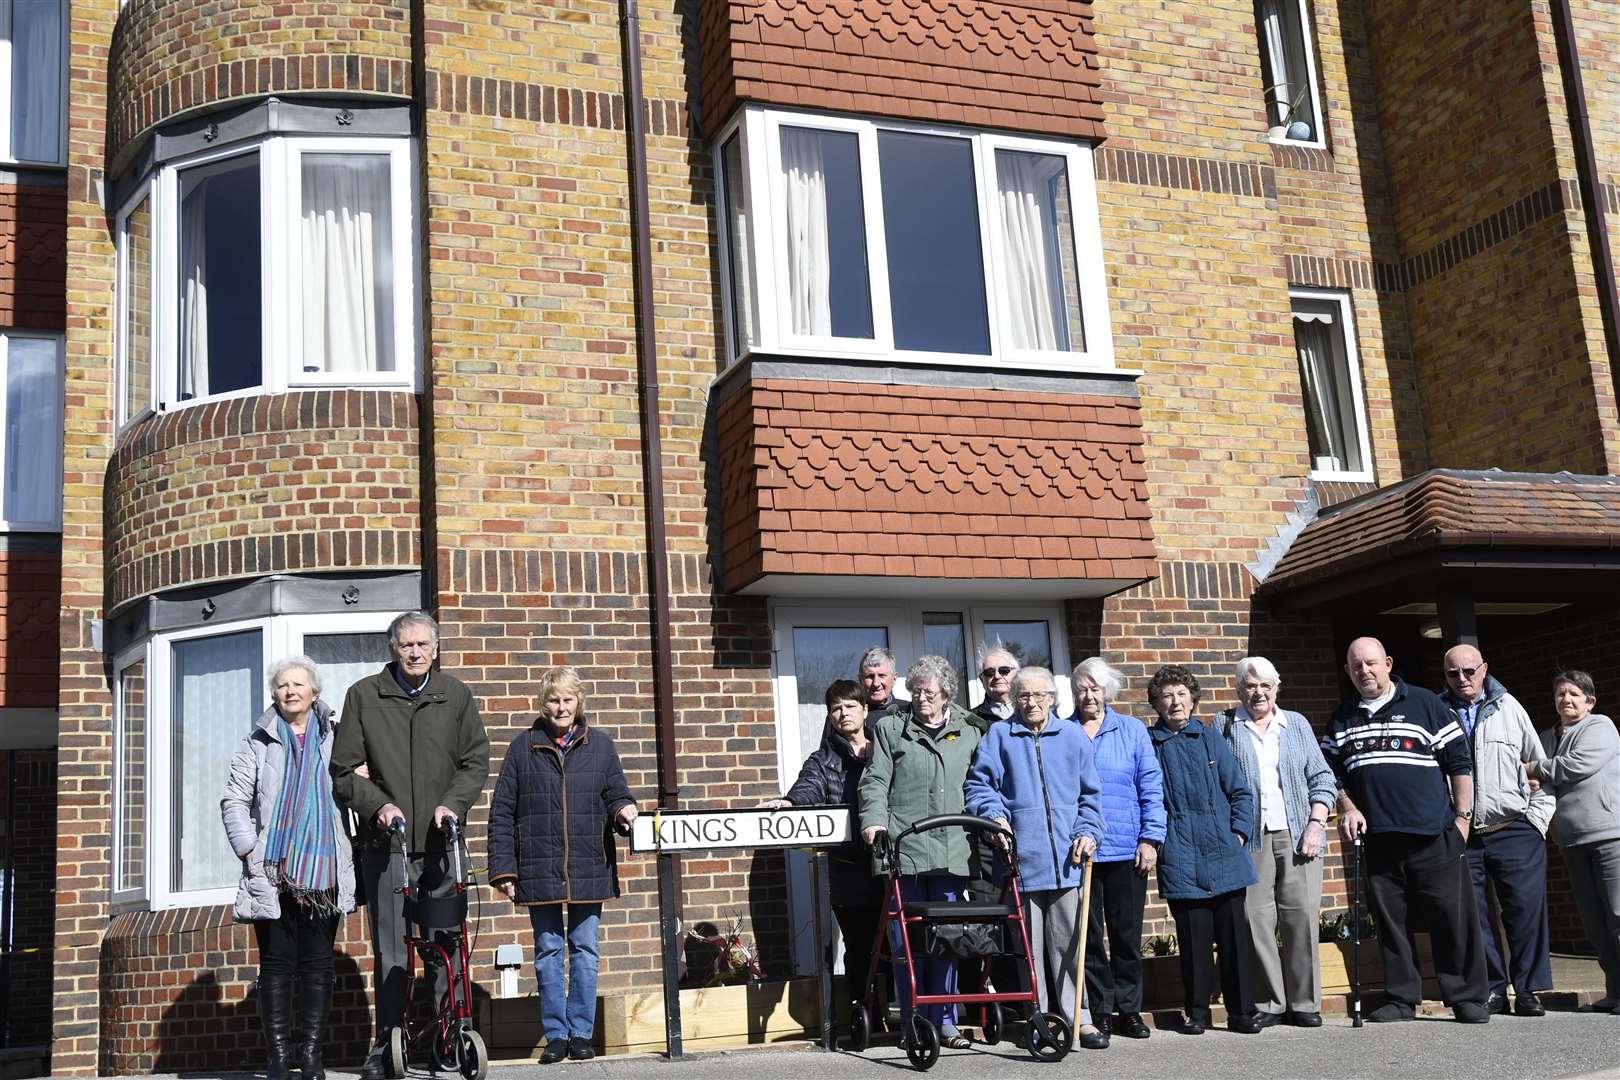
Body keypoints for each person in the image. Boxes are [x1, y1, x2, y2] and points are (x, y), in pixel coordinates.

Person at [331, 611, 492, 1079]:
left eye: (423, 644)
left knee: (446, 945)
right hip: (389, 847)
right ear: (392, 649)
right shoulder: (364, 696)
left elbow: (475, 762)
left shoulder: (456, 695)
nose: (415, 652)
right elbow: (343, 772)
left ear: (436, 649)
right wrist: (378, 805)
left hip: (441, 846)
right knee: (392, 950)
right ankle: (389, 1044)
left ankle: (447, 1040)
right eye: (406, 645)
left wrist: (452, 805)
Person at [1323, 637, 1490, 1024]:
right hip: (1379, 839)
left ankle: (1466, 996)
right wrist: (1347, 806)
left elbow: (1459, 762)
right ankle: (1401, 998)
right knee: (1391, 924)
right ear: (1348, 672)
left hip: (1434, 834)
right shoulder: (1341, 718)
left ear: (1388, 662)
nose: (1365, 671)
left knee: (1453, 918)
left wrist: (1463, 820)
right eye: (1356, 666)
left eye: (1371, 663)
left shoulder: (1425, 705)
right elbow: (1328, 773)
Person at [488, 667, 638, 1063]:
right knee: (548, 950)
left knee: (585, 949)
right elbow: (501, 812)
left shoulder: (601, 746)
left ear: (579, 702)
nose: (561, 707)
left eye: (568, 699)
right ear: (543, 703)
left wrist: (625, 810)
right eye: (554, 700)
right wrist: (504, 870)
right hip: (538, 867)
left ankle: (582, 1035)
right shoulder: (522, 748)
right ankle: (556, 1035)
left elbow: (616, 794)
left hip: (590, 863)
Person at [221, 656, 356, 1080]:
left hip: (325, 869)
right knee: (276, 964)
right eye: (282, 685)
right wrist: (249, 851)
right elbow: (234, 801)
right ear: (274, 695)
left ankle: (312, 1055)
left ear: (314, 692)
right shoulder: (256, 742)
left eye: (298, 684)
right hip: (272, 869)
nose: (290, 691)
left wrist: (361, 775)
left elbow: (355, 782)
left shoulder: (337, 737)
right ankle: (279, 1057)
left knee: (317, 963)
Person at [964, 667, 1103, 1042]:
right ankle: (1039, 1019)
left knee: (1069, 946)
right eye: (1024, 696)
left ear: (1053, 698)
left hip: (1067, 864)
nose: (1032, 702)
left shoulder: (1072, 736)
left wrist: (1089, 832)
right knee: (1030, 953)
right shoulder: (999, 736)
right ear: (1014, 699)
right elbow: (978, 786)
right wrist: (994, 816)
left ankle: (1079, 1018)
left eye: (1039, 695)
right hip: (1021, 864)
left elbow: (1091, 797)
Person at [859, 655, 981, 1049]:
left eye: (928, 692)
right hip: (904, 849)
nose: (920, 699)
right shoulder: (893, 729)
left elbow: (982, 783)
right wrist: (873, 822)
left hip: (951, 849)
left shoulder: (970, 730)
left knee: (946, 938)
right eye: (915, 691)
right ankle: (912, 1019)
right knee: (906, 940)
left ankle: (945, 1020)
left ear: (947, 694)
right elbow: (875, 780)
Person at [1212, 656, 1336, 1029]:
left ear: (1276, 688)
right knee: (1255, 920)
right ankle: (1269, 1001)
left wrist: (1316, 823)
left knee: (1300, 918)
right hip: (1249, 838)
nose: (1258, 692)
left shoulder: (1295, 724)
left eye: (1265, 685)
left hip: (1299, 834)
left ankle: (1304, 1002)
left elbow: (1323, 778)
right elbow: (1216, 784)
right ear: (1238, 689)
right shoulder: (1225, 726)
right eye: (1250, 685)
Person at [1438, 643, 1555, 1017]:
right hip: (1462, 832)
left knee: (1524, 911)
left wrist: (1537, 822)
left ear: (1484, 669)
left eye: (1469, 671)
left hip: (1514, 826)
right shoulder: (1436, 712)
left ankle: (1529, 990)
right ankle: (1491, 989)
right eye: (1453, 673)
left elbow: (1541, 768)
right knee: (1472, 917)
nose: (1462, 679)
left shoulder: (1510, 708)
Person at [760, 680, 885, 1023]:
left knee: (894, 947)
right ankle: (867, 1019)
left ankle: (904, 1016)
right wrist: (789, 801)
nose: (843, 713)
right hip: (850, 872)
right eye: (835, 709)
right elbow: (808, 788)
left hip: (890, 868)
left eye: (849, 706)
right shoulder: (823, 760)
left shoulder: (886, 749)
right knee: (859, 949)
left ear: (865, 710)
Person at [1145, 664, 1260, 1035]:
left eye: (1181, 694)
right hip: (1180, 856)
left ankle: (1242, 1012)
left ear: (1193, 700)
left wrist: (1239, 834)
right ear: (1156, 704)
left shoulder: (1210, 738)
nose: (1175, 702)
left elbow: (1241, 791)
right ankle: (1196, 1012)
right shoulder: (1151, 744)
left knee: (1235, 942)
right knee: (1193, 944)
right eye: (1166, 696)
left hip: (1224, 853)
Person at [1072, 657, 1164, 1046]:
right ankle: (1101, 1012)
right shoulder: (1064, 731)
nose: (1089, 695)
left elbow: (1151, 786)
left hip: (1127, 849)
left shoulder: (1131, 731)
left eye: (1095, 688)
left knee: (1126, 936)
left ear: (1108, 690)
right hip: (1082, 853)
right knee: (1089, 938)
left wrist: (1151, 838)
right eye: (1082, 688)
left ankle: (1130, 1011)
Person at [1525, 671, 1620, 1014]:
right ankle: (1615, 992)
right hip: (1570, 838)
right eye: (1561, 694)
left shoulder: (1600, 727)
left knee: (1617, 914)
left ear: (1589, 701)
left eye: (1574, 694)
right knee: (1594, 922)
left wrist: (1536, 768)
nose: (1566, 699)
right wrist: (1537, 775)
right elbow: (1541, 781)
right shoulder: (1546, 738)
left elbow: (1577, 765)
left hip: (1609, 833)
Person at [972, 644, 1020, 725]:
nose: (997, 676)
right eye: (989, 672)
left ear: (1017, 675)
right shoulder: (972, 719)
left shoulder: (1032, 711)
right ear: (981, 680)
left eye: (1004, 670)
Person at [859, 646, 901, 718]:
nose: (876, 683)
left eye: (881, 675)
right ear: (860, 680)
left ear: (894, 679)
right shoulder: (853, 715)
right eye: (870, 676)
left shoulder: (909, 711)